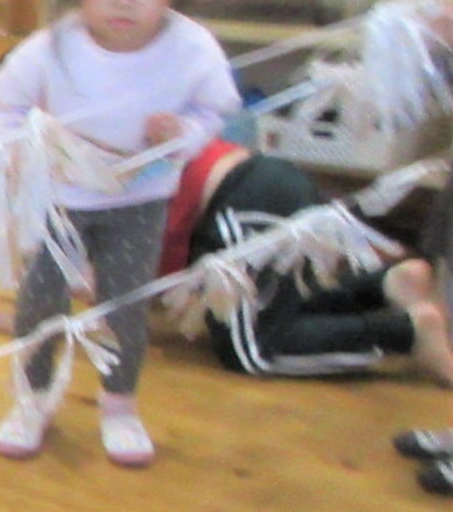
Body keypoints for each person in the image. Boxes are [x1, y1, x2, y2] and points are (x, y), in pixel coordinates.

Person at [0, 0, 240, 467]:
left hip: (139, 203)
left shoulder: (192, 49)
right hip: (59, 201)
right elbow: (1, 107)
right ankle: (31, 398)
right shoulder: (52, 47)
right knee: (39, 303)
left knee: (125, 305)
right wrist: (14, 155)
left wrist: (185, 134)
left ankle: (120, 405)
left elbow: (216, 110)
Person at [161, 139, 453, 384]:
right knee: (277, 309)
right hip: (262, 180)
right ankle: (383, 286)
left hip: (242, 197)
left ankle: (408, 332)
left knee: (252, 348)